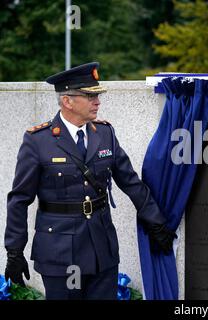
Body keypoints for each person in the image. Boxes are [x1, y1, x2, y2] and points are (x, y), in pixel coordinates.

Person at [4, 62, 176, 300]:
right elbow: (19, 199)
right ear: (67, 101)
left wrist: (156, 222)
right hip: (60, 252)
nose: (97, 102)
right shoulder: (38, 141)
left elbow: (130, 181)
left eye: (97, 96)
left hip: (101, 248)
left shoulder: (104, 133)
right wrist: (14, 250)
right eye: (89, 96)